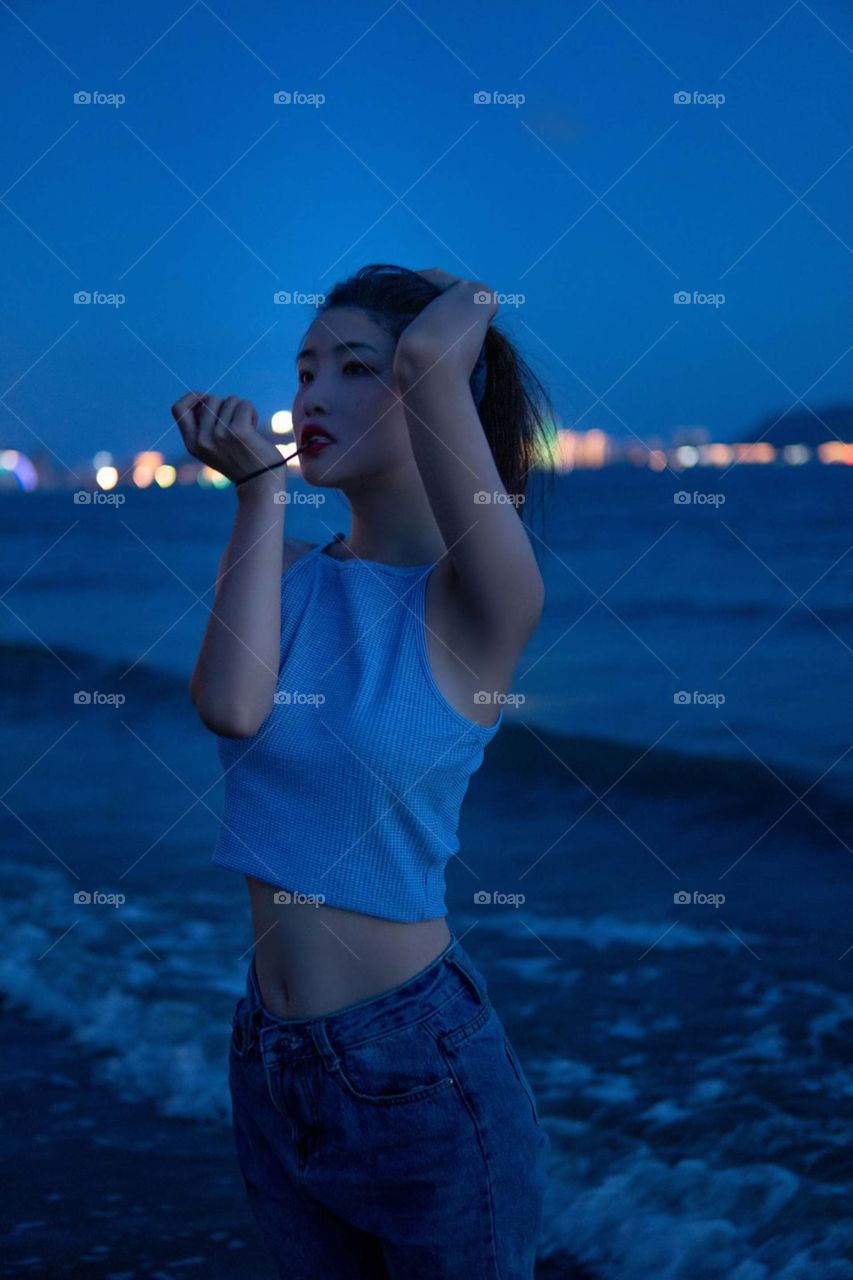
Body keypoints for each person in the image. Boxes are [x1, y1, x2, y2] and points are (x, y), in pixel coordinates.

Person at [171, 263, 556, 1279]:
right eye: (303, 371)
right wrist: (257, 493)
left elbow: (434, 350)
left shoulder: (483, 600)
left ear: (434, 395)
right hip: (269, 1056)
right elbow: (230, 705)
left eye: (353, 369)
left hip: (418, 1063)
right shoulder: (286, 569)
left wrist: (468, 302)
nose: (312, 396)